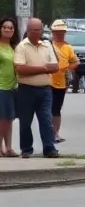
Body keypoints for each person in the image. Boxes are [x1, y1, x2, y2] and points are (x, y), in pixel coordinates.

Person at [12, 17, 61, 158]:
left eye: (39, 30)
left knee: (46, 119)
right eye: (34, 30)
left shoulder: (47, 45)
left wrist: (41, 68)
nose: (37, 33)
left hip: (45, 90)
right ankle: (26, 149)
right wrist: (44, 68)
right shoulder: (22, 47)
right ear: (28, 31)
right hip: (26, 89)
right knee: (25, 121)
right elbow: (21, 69)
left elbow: (55, 67)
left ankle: (49, 148)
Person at [48, 20, 79, 144]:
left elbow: (76, 62)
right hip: (47, 82)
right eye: (58, 32)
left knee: (56, 109)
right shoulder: (48, 46)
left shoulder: (68, 47)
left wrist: (67, 68)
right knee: (48, 109)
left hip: (62, 82)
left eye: (62, 32)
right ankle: (48, 133)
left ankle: (55, 133)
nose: (60, 34)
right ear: (53, 32)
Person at [0, 16, 19, 157]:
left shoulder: (13, 47)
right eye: (5, 27)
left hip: (12, 87)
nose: (8, 29)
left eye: (10, 28)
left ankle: (8, 147)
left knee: (9, 119)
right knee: (3, 119)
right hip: (1, 87)